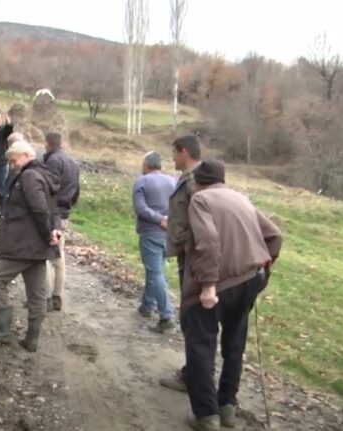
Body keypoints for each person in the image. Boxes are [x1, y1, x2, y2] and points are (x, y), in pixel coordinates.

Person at [180, 160, 283, 431]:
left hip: (218, 285)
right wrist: (264, 267)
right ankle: (227, 407)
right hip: (250, 280)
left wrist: (208, 285)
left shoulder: (200, 200)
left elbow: (209, 242)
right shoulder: (241, 197)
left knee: (201, 344)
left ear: (198, 183)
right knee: (234, 343)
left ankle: (206, 416)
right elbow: (274, 235)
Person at [0, 141, 62, 352]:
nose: (12, 165)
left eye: (14, 161)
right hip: (37, 246)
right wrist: (55, 229)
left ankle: (1, 330)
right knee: (37, 293)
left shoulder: (30, 176)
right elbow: (54, 208)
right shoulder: (45, 174)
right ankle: (32, 340)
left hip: (24, 243)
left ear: (25, 155)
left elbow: (41, 210)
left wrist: (47, 233)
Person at [160, 134, 202, 391]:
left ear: (184, 152)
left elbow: (203, 218)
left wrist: (185, 240)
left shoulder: (195, 180)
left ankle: (193, 377)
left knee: (193, 316)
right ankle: (194, 372)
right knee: (190, 315)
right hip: (189, 254)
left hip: (195, 257)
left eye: (174, 152)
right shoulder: (189, 178)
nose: (172, 157)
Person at [132, 152, 177, 333]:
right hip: (170, 234)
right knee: (157, 271)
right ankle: (146, 306)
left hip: (151, 233)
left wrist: (159, 219)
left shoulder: (141, 182)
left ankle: (167, 315)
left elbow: (141, 209)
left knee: (155, 273)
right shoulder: (173, 182)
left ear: (146, 164)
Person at [42, 131, 80, 312]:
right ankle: (57, 297)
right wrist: (67, 207)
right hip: (64, 213)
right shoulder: (73, 162)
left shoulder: (52, 161)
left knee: (47, 257)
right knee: (59, 256)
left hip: (52, 214)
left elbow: (48, 188)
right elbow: (76, 191)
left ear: (47, 143)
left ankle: (47, 298)